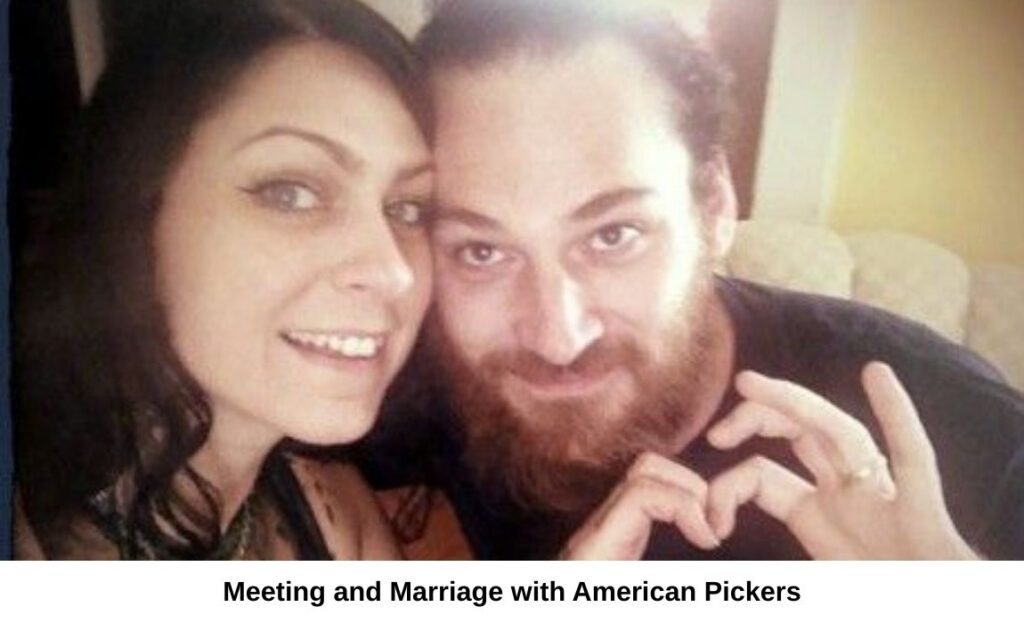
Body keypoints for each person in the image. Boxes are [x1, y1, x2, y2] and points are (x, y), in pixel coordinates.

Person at [359, 0, 1024, 560]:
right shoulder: (407, 385)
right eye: (481, 251)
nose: (557, 337)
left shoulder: (958, 439)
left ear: (714, 206)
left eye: (613, 235)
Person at [14, 0, 434, 560]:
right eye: (291, 193)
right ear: (135, 212)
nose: (395, 271)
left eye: (408, 208)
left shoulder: (330, 506)